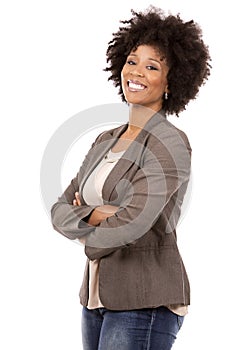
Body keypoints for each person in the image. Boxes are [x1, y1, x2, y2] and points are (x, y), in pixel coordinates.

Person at [51, 6, 211, 350]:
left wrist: (87, 215)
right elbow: (60, 209)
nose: (136, 72)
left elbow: (133, 222)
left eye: (152, 66)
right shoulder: (105, 139)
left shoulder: (170, 142)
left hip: (144, 301)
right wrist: (101, 213)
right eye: (132, 61)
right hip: (95, 300)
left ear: (172, 82)